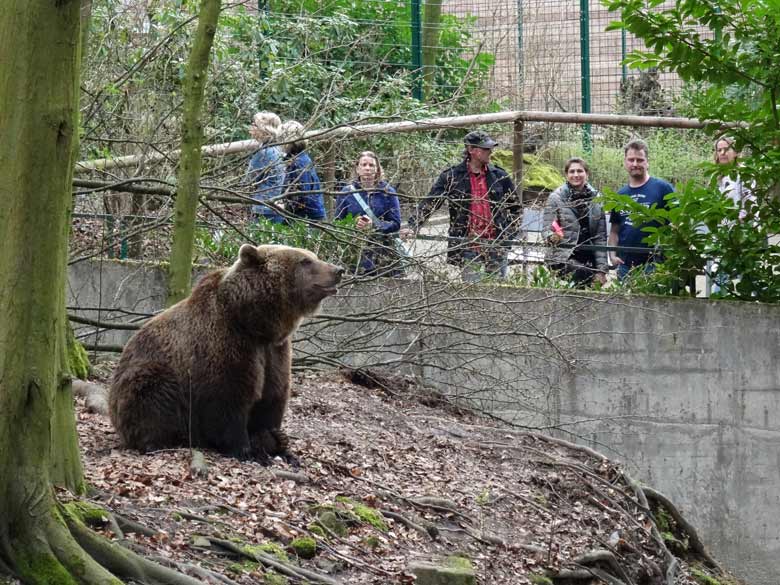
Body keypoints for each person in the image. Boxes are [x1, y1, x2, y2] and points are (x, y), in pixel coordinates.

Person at [403, 130, 520, 282]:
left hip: (496, 245)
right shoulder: (452, 177)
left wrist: (507, 238)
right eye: (485, 148)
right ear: (471, 150)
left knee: (498, 292)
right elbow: (431, 202)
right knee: (471, 294)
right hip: (468, 245)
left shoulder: (499, 176)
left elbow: (516, 208)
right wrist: (413, 225)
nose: (490, 151)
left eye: (490, 148)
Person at [608, 139, 675, 280]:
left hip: (655, 264)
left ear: (647, 162)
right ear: (625, 162)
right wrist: (612, 255)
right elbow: (615, 230)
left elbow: (677, 222)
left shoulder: (663, 188)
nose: (635, 164)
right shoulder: (620, 195)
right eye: (631, 160)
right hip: (625, 265)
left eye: (639, 160)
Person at [335, 151, 403, 276]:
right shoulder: (346, 193)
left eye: (371, 165)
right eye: (364, 165)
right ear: (357, 169)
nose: (367, 168)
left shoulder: (387, 192)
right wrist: (353, 223)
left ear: (377, 169)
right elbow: (338, 222)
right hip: (355, 252)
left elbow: (396, 223)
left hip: (383, 253)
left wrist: (375, 226)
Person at [543, 158, 608, 286]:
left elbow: (600, 237)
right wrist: (552, 237)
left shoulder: (597, 199)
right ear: (566, 175)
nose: (576, 175)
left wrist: (602, 270)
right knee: (583, 275)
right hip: (563, 256)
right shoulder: (556, 198)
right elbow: (546, 229)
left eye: (580, 171)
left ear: (587, 174)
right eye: (572, 171)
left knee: (590, 279)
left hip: (589, 256)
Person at [278, 120, 326, 222]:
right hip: (309, 214)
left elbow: (302, 195)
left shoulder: (298, 163)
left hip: (307, 217)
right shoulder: (300, 158)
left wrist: (283, 206)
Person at [247, 111, 285, 223]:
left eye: (255, 125)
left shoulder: (264, 153)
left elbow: (249, 179)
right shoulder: (277, 149)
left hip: (263, 208)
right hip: (275, 204)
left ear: (264, 129)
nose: (251, 127)